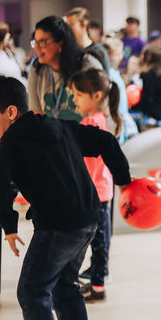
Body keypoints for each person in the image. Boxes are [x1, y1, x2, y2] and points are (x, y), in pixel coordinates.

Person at [0, 76, 130, 320]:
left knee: (31, 291)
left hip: (58, 225)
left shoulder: (10, 145)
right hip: (90, 219)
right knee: (64, 285)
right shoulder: (60, 126)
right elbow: (106, 142)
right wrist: (124, 180)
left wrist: (9, 225)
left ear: (11, 112)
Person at [68, 68, 123, 302]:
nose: (74, 99)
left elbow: (87, 164)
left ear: (97, 96)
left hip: (95, 193)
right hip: (101, 190)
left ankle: (97, 288)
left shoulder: (92, 122)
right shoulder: (99, 120)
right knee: (98, 241)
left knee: (93, 242)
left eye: (79, 95)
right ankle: (95, 284)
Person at [65, 7, 137, 143]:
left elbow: (102, 83)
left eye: (71, 24)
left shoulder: (96, 52)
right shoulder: (72, 53)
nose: (68, 28)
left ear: (84, 24)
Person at [27, 16, 102, 121]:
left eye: (43, 42)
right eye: (35, 42)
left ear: (60, 44)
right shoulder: (37, 69)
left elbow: (98, 114)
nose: (37, 48)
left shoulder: (87, 66)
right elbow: (37, 115)